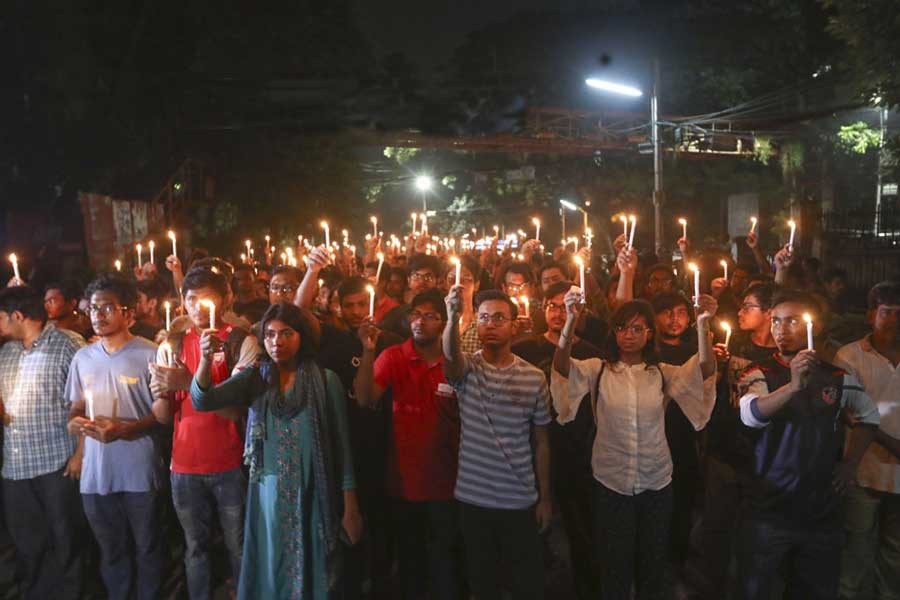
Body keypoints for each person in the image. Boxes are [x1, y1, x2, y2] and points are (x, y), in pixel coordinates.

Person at [551, 284, 718, 599]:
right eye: (622, 328)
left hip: (656, 480)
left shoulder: (661, 373)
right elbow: (562, 368)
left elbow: (704, 370)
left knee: (652, 561)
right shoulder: (598, 369)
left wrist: (704, 324)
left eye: (637, 328)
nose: (629, 335)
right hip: (611, 480)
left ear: (649, 334)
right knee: (614, 561)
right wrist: (571, 320)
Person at [190, 303, 362, 599]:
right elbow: (203, 401)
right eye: (269, 335)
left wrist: (350, 506)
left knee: (314, 572)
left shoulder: (325, 381)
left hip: (312, 495)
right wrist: (205, 361)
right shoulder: (257, 378)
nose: (276, 342)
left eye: (286, 334)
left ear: (302, 337)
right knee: (271, 572)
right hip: (268, 496)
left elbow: (343, 448)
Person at [736, 289, 880, 600]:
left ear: (816, 327)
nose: (781, 329)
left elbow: (869, 416)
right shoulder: (759, 371)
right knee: (756, 587)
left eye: (792, 321)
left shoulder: (837, 377)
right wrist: (793, 386)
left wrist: (850, 464)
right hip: (770, 506)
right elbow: (751, 414)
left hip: (820, 510)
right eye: (776, 321)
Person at [149, 267, 258, 599]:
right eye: (191, 299)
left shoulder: (242, 341)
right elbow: (165, 416)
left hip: (229, 464)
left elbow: (237, 411)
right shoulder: (173, 343)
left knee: (238, 545)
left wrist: (187, 382)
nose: (197, 307)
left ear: (225, 299)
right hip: (184, 467)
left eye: (206, 298)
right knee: (194, 549)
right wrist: (159, 391)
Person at [443, 287, 552, 600]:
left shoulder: (533, 378)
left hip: (519, 499)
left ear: (514, 325)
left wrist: (545, 498)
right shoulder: (467, 370)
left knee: (526, 585)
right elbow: (450, 359)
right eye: (484, 318)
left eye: (499, 318)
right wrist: (452, 316)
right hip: (474, 500)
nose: (490, 324)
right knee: (482, 585)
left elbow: (542, 441)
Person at [356, 289, 462, 600]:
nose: (420, 321)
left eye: (430, 316)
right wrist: (367, 351)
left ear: (443, 322)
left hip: (448, 481)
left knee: (446, 560)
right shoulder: (393, 357)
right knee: (411, 559)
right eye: (415, 315)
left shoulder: (454, 363)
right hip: (403, 482)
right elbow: (365, 398)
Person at [64, 274, 166, 600]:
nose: (98, 315)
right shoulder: (83, 358)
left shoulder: (150, 354)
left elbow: (162, 415)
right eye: (93, 308)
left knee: (147, 545)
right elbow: (76, 405)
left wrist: (126, 429)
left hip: (138, 467)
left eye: (107, 307)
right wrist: (76, 422)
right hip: (96, 473)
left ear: (128, 312)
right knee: (111, 549)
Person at [512, 280, 602, 599]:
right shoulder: (525, 348)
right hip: (530, 449)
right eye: (552, 305)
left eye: (566, 306)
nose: (558, 313)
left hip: (576, 452)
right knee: (533, 531)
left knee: (581, 532)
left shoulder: (591, 353)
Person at [0, 286, 86, 600]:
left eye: (1, 317)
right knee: (27, 541)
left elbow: (86, 402)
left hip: (57, 463)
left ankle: (71, 593)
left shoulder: (68, 345)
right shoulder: (6, 352)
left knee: (64, 538)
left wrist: (80, 453)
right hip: (16, 467)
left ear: (17, 316)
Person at [835, 281, 900, 599]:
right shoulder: (850, 357)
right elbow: (850, 412)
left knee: (894, 560)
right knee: (855, 555)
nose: (895, 320)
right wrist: (892, 444)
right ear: (871, 314)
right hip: (863, 472)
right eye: (888, 312)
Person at [650, 290, 702, 567]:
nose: (674, 319)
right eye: (667, 312)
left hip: (683, 437)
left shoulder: (696, 352)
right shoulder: (647, 351)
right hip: (652, 435)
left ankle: (676, 563)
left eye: (681, 312)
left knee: (681, 502)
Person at [379, 254, 442, 339]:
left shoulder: (444, 311)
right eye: (416, 276)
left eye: (428, 277)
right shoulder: (396, 315)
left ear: (436, 280)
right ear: (409, 280)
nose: (422, 282)